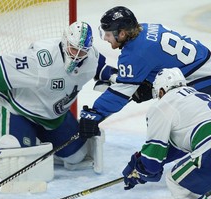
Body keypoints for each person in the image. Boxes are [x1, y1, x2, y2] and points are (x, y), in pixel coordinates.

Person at [0, 21, 117, 191]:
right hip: (17, 110)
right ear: (65, 41)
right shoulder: (42, 61)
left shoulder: (89, 56)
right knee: (15, 163)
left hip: (53, 117)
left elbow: (100, 68)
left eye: (82, 51)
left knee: (77, 157)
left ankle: (38, 147)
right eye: (74, 49)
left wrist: (119, 77)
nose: (77, 56)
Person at [79, 6, 211, 139]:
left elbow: (121, 92)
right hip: (204, 65)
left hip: (201, 79)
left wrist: (95, 112)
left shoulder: (135, 54)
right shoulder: (145, 28)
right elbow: (156, 60)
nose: (105, 38)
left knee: (184, 130)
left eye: (108, 34)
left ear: (122, 33)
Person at [122, 67, 211, 199]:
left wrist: (141, 169)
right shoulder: (198, 96)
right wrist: (143, 161)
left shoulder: (162, 105)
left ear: (161, 91)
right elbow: (183, 145)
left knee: (178, 183)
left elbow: (153, 164)